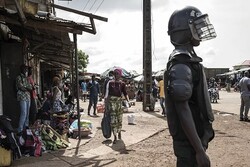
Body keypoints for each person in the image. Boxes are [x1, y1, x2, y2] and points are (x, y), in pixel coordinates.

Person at [165, 6, 216, 167]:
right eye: (196, 26)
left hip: (193, 142)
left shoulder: (189, 61)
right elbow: (183, 109)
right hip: (188, 146)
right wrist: (199, 150)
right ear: (185, 30)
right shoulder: (181, 63)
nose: (200, 30)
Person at [104, 68, 129, 144]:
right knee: (113, 120)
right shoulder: (110, 83)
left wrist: (128, 100)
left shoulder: (122, 84)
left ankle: (119, 132)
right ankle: (115, 136)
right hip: (112, 104)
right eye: (115, 74)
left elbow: (125, 93)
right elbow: (107, 95)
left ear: (120, 75)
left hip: (119, 104)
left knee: (119, 119)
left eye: (117, 74)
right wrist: (106, 105)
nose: (116, 75)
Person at [16, 64, 32, 134]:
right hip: (22, 97)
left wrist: (27, 88)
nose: (26, 70)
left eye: (26, 69)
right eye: (24, 69)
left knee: (27, 113)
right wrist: (27, 88)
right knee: (24, 113)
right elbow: (20, 87)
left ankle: (26, 127)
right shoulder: (18, 77)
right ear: (21, 69)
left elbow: (30, 87)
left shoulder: (26, 78)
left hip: (28, 97)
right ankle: (20, 129)